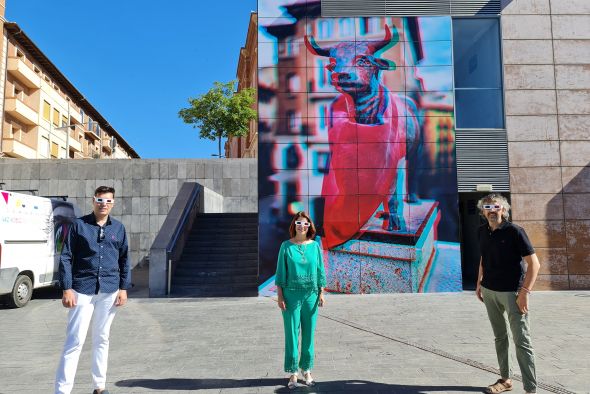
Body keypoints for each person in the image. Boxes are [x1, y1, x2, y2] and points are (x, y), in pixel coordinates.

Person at [55, 186, 130, 394]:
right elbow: (66, 257)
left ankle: (99, 387)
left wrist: (123, 288)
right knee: (75, 340)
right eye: (99, 200)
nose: (103, 204)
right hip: (82, 289)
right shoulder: (79, 226)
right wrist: (67, 288)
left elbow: (124, 259)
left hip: (109, 290)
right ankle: (62, 391)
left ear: (113, 203)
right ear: (93, 201)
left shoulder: (118, 229)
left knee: (102, 339)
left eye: (107, 201)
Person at [475, 193, 540, 394]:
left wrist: (525, 292)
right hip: (489, 290)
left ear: (503, 209)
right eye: (488, 208)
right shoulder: (481, 231)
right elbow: (484, 258)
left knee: (522, 341)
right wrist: (479, 283)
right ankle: (505, 380)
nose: (492, 211)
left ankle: (530, 389)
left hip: (513, 293)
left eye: (496, 207)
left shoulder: (515, 232)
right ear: (483, 212)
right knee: (500, 337)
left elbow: (534, 264)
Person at [275, 211, 327, 389]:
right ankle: (293, 372)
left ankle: (307, 370)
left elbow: (320, 270)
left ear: (309, 226)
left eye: (305, 223)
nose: (302, 226)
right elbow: (281, 272)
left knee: (309, 335)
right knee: (291, 334)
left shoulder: (315, 246)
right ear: (294, 225)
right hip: (290, 295)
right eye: (298, 223)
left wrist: (321, 292)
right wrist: (280, 296)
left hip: (311, 295)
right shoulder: (286, 246)